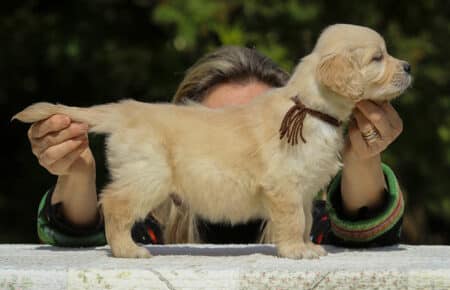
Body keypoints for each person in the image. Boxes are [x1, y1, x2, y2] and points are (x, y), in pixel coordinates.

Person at [29, 46, 404, 248]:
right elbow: (83, 236)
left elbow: (362, 232)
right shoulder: (151, 230)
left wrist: (362, 161)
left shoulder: (311, 225)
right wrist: (77, 176)